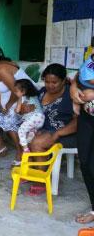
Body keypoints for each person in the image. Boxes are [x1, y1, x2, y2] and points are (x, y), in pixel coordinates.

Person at [27, 64, 77, 195]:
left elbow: (78, 122)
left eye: (54, 82)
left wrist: (58, 133)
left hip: (66, 133)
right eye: (47, 81)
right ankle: (34, 169)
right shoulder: (43, 91)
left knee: (37, 143)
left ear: (63, 80)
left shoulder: (70, 94)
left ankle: (42, 180)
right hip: (44, 129)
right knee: (25, 134)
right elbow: (34, 108)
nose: (50, 85)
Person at [70, 62, 94, 224]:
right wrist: (73, 88)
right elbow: (78, 77)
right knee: (85, 161)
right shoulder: (89, 62)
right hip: (88, 117)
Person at [14, 79, 45, 153]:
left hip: (33, 118)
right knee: (30, 134)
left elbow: (17, 110)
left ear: (23, 91)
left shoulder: (21, 98)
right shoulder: (34, 96)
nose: (14, 92)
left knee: (21, 131)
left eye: (16, 91)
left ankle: (25, 149)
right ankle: (30, 145)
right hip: (41, 118)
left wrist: (15, 110)